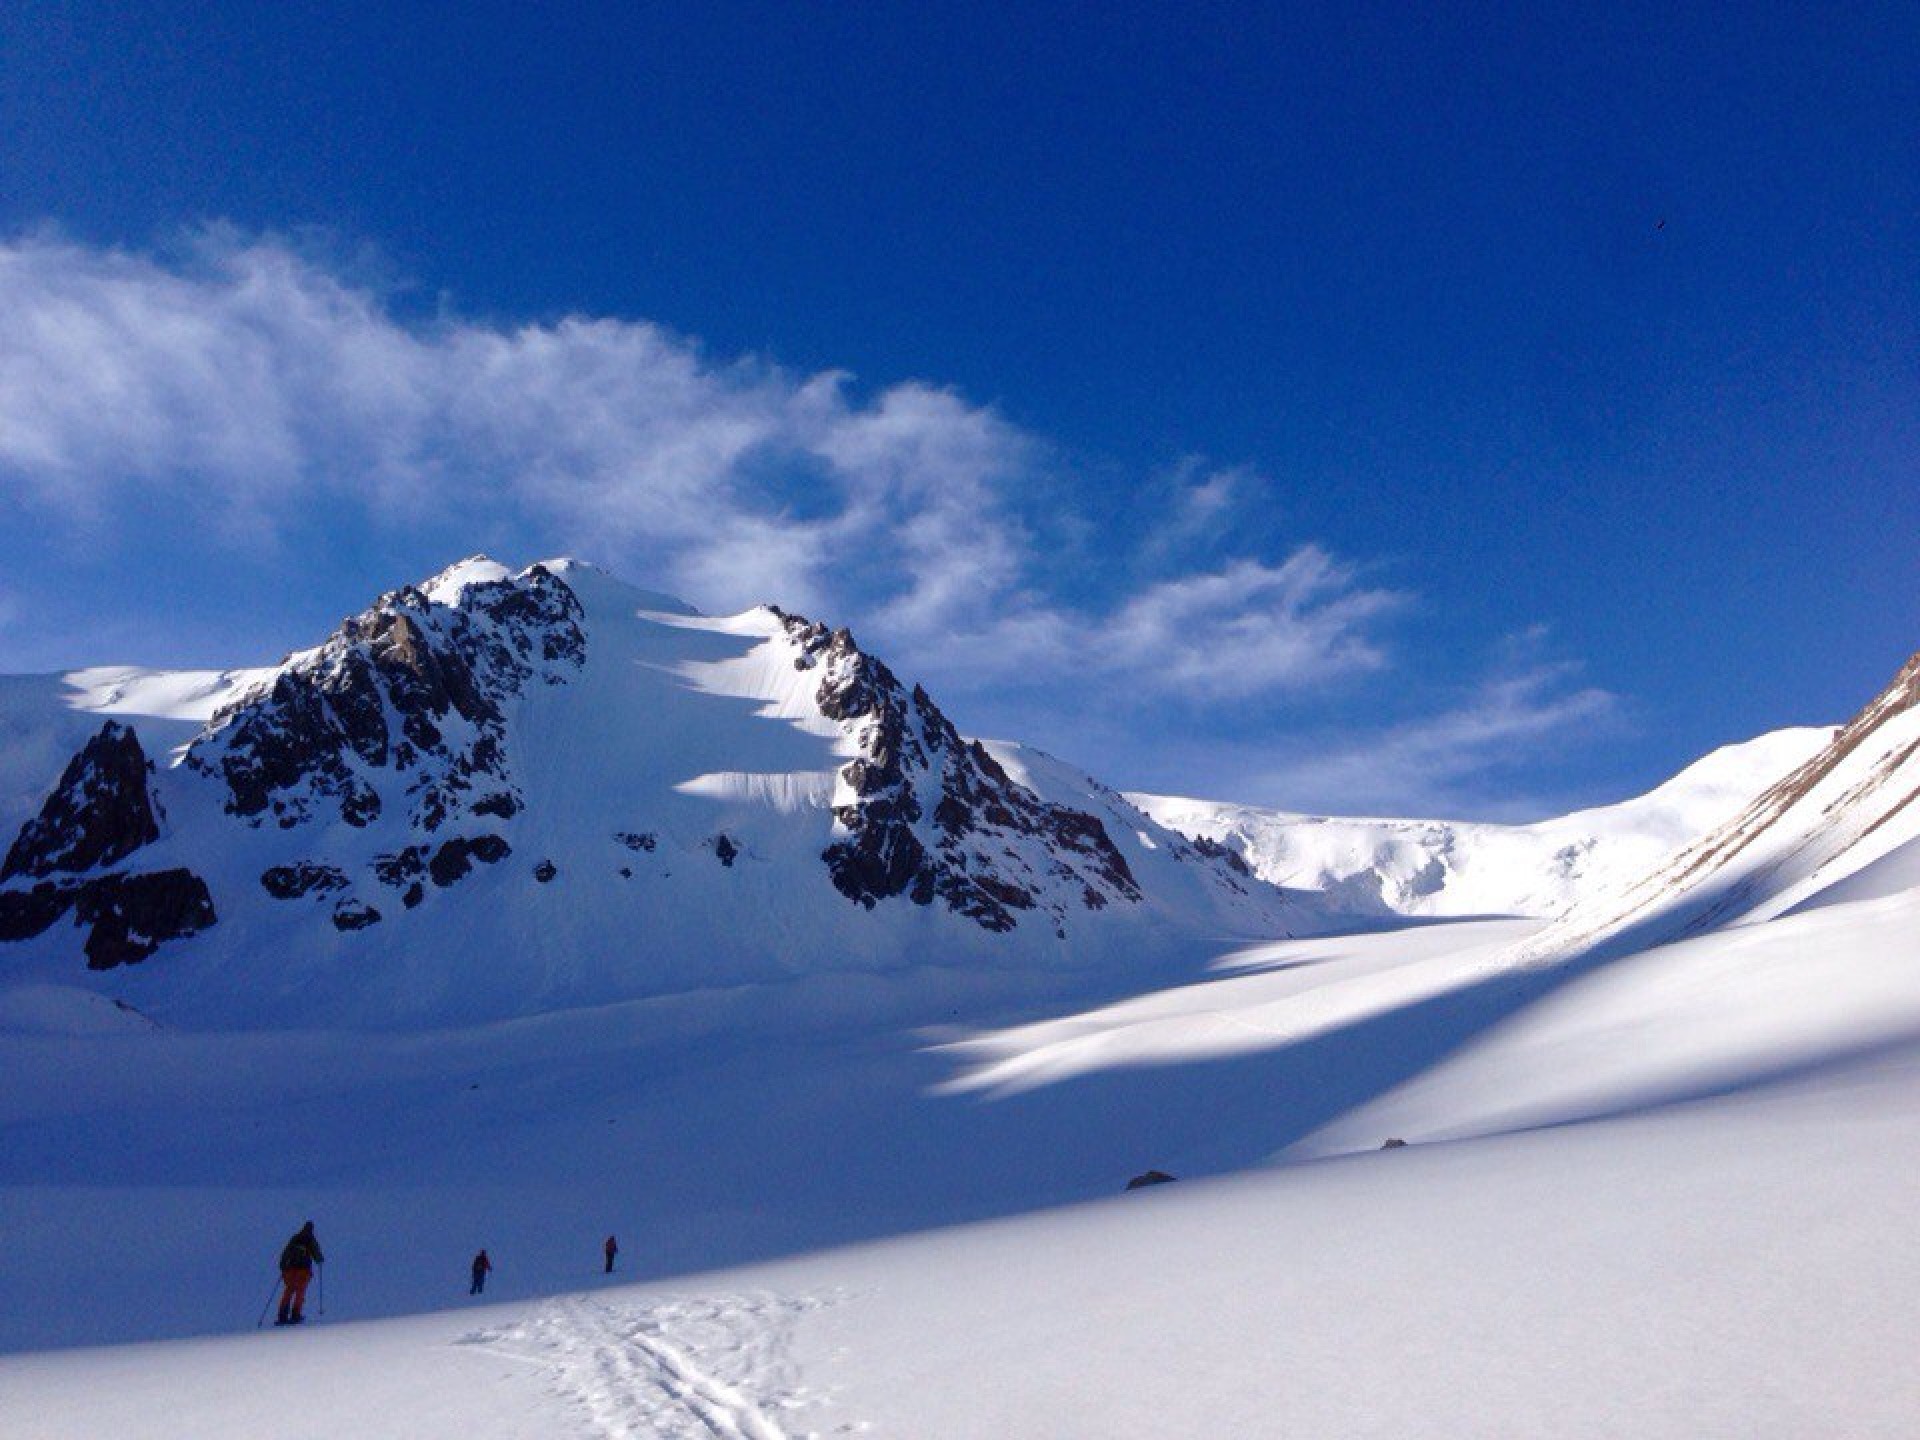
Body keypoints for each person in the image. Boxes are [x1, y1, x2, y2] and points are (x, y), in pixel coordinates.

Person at [275, 1221, 324, 1326]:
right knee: (300, 1292)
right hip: (303, 1271)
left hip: (291, 1270)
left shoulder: (295, 1238)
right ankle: (295, 1315)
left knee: (288, 1291)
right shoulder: (310, 1239)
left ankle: (282, 1315)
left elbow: (285, 1252)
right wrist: (320, 1260)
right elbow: (317, 1255)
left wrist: (283, 1267)